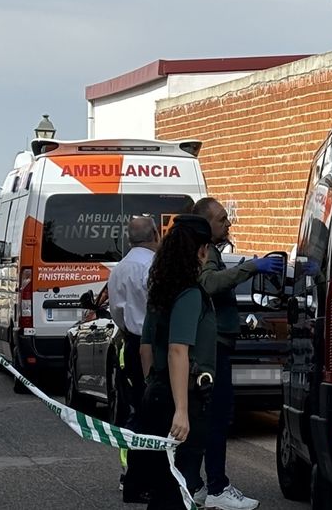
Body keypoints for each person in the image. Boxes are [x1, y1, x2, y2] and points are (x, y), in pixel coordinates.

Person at [190, 197, 283, 510]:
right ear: (205, 224)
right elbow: (210, 283)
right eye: (221, 219)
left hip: (216, 345)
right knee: (216, 417)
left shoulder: (208, 250)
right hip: (213, 346)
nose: (228, 224)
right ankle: (215, 486)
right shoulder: (206, 251)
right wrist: (252, 266)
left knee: (208, 418)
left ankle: (196, 484)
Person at [130, 214, 219, 510]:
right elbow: (178, 350)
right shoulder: (190, 292)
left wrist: (153, 388)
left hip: (156, 391)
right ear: (202, 250)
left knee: (163, 486)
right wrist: (181, 410)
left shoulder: (161, 289)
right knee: (181, 484)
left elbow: (146, 348)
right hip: (186, 395)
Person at [108, 215, 161, 502]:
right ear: (155, 233)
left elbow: (116, 312)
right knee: (152, 413)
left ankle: (132, 477)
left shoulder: (119, 269)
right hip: (149, 345)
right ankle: (146, 480)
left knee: (136, 409)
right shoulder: (151, 267)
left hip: (128, 342)